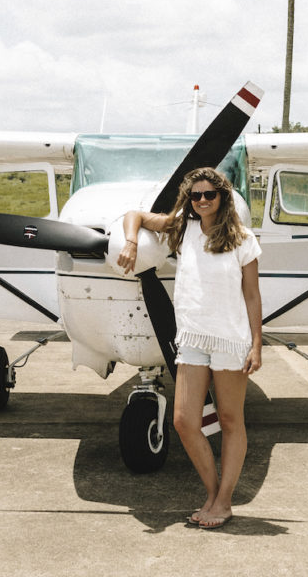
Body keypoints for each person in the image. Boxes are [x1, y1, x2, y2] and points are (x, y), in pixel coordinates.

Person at [117, 167, 262, 531]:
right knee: (184, 421)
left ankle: (223, 501)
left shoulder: (243, 239)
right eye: (195, 196)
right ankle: (214, 493)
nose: (201, 201)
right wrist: (132, 242)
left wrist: (256, 345)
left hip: (230, 339)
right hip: (193, 339)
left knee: (230, 421)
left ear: (222, 197)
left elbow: (252, 295)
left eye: (208, 195)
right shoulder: (183, 227)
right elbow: (133, 215)